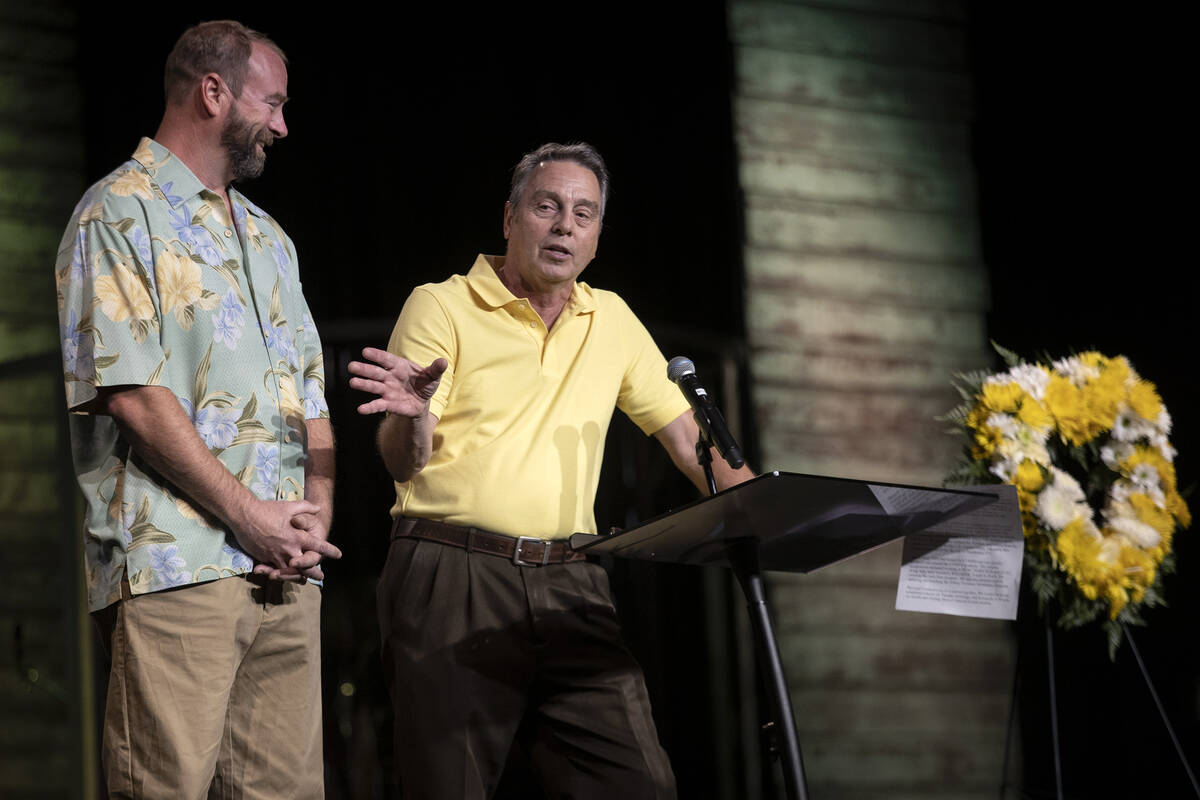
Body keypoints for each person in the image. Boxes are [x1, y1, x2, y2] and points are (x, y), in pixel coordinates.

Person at [348, 142, 753, 798]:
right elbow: (403, 462)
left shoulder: (612, 319)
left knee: (639, 784)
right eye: (547, 206)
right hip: (453, 573)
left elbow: (690, 441)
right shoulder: (442, 305)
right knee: (447, 785)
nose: (566, 224)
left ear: (596, 237)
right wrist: (414, 413)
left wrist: (766, 515)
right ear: (510, 218)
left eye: (584, 213)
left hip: (571, 581)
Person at [54, 20, 339, 798]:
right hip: (176, 567)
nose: (282, 125)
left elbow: (310, 393)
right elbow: (136, 397)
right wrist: (249, 516)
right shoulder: (117, 213)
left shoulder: (271, 238)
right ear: (213, 92)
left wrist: (312, 518)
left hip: (286, 574)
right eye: (272, 103)